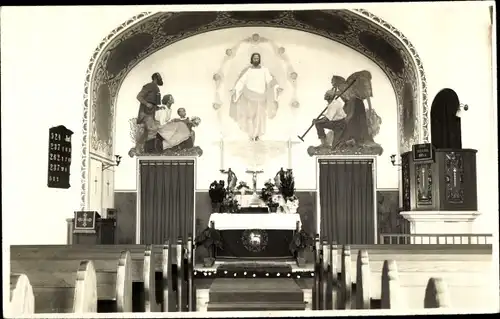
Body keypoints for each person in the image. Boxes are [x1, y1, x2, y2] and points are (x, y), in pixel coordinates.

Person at [229, 52, 283, 141]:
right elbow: (241, 82)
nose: (256, 59)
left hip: (261, 98)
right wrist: (235, 90)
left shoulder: (264, 70)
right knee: (250, 116)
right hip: (249, 97)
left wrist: (276, 88)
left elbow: (270, 80)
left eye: (257, 58)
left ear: (259, 59)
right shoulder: (248, 71)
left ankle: (257, 135)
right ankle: (251, 135)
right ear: (252, 59)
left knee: (259, 117)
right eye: (254, 58)